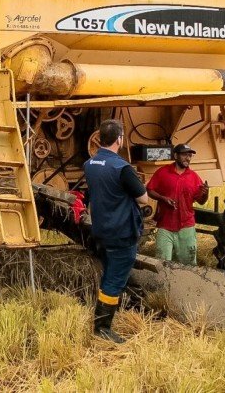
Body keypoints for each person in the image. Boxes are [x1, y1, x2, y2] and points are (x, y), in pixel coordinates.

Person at [84, 119, 149, 343]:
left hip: (101, 231)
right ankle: (102, 328)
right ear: (119, 139)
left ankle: (106, 315)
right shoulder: (122, 168)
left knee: (109, 274)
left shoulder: (89, 164)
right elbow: (143, 198)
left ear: (100, 138)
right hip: (122, 233)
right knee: (114, 280)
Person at [146, 144, 209, 265]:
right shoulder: (162, 172)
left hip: (186, 227)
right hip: (165, 226)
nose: (188, 158)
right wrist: (162, 198)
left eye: (190, 155)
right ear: (175, 155)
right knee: (161, 264)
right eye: (185, 155)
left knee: (189, 265)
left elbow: (201, 201)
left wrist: (206, 194)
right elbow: (150, 190)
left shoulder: (194, 177)